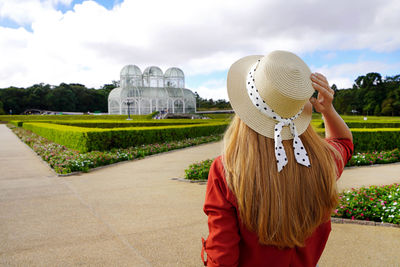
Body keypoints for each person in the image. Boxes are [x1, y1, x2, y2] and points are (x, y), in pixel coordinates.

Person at [201, 51, 353, 267]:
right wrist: (328, 110)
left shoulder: (228, 170)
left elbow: (222, 258)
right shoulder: (322, 161)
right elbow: (343, 141)